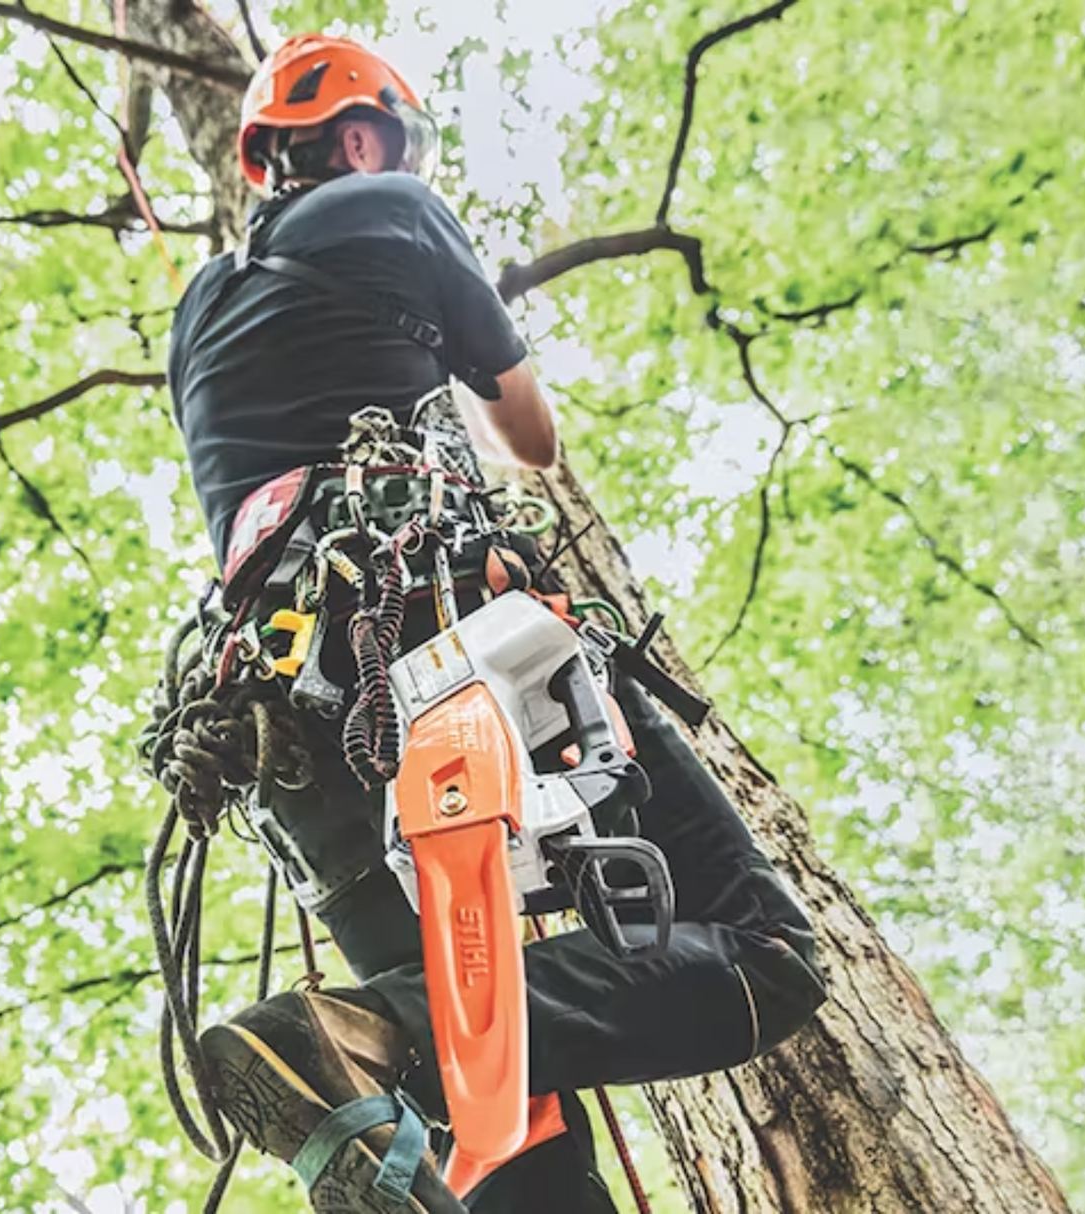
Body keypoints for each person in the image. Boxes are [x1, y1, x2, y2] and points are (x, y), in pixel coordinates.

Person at [167, 33, 827, 1214]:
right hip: (432, 627)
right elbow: (528, 438)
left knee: (497, 1116)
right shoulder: (390, 202)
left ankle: (358, 1059)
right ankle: (351, 1036)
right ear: (363, 137)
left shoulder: (198, 304)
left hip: (281, 723)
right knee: (765, 952)